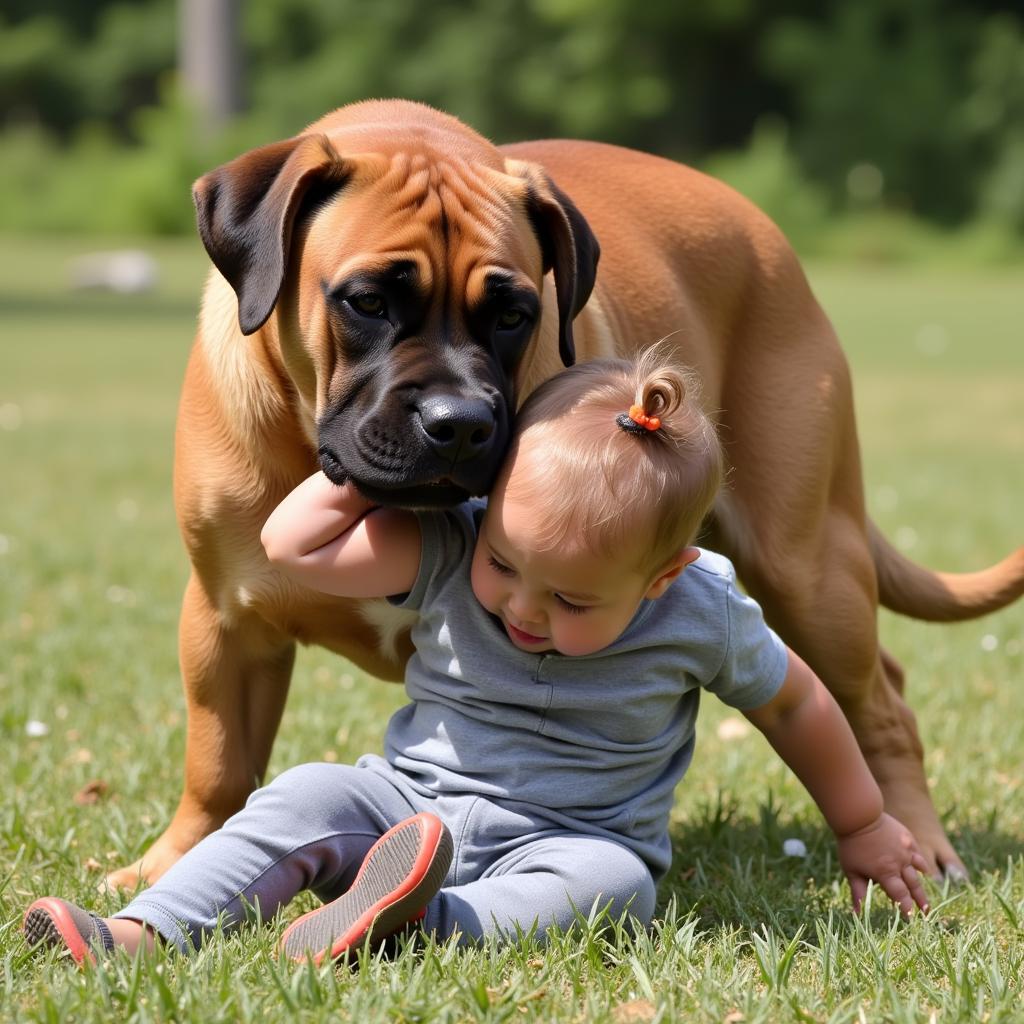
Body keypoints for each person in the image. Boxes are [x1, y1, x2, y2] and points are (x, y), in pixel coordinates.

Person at [23, 349, 929, 967]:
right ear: (489, 513)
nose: (522, 608)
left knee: (615, 891)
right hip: (407, 804)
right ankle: (143, 932)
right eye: (507, 564)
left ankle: (418, 924)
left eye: (571, 600)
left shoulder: (702, 608)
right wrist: (360, 458)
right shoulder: (458, 546)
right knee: (305, 793)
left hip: (573, 837)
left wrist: (860, 824)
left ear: (662, 578)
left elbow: (795, 704)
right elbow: (292, 547)